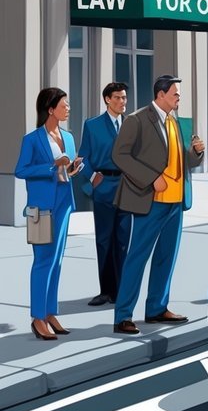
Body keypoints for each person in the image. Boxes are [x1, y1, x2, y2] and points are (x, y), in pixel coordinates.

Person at [111, 74, 204, 335]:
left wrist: (196, 152)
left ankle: (156, 308)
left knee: (166, 258)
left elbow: (183, 161)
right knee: (137, 258)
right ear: (160, 94)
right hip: (150, 201)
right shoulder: (137, 120)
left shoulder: (175, 122)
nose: (178, 98)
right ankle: (123, 316)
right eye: (175, 94)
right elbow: (119, 155)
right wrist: (151, 179)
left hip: (176, 202)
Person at [16, 88, 83, 340]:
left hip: (64, 204)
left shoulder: (68, 137)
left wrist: (73, 168)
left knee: (57, 262)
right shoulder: (32, 139)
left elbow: (67, 171)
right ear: (50, 109)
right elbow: (21, 170)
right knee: (43, 261)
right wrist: (50, 167)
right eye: (64, 105)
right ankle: (37, 317)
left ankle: (50, 312)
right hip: (41, 210)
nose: (68, 108)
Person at [77, 82, 131, 307]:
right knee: (104, 240)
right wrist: (92, 178)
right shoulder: (92, 125)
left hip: (127, 187)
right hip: (104, 186)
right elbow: (83, 157)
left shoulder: (131, 124)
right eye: (118, 98)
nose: (122, 102)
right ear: (107, 99)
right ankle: (106, 291)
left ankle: (120, 291)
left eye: (124, 98)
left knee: (123, 241)